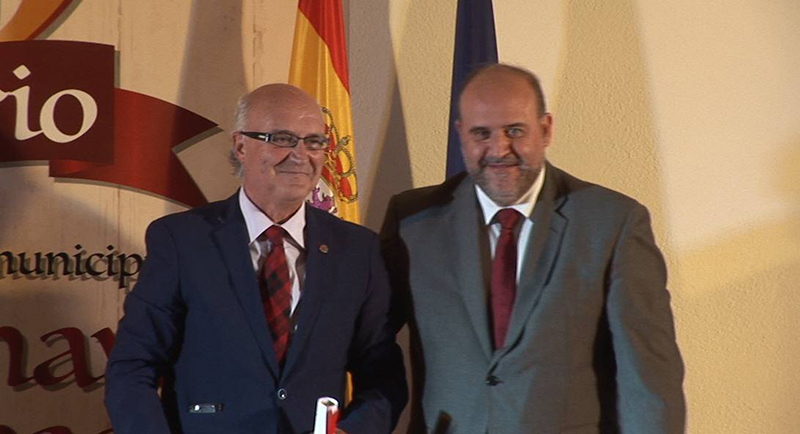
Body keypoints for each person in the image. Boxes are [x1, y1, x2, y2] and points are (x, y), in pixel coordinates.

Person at [381, 64, 685, 434]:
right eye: (481, 133)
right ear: (461, 134)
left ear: (546, 129)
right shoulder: (412, 222)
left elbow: (649, 381)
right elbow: (368, 342)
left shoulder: (613, 223)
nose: (499, 149)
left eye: (515, 131)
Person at [105, 84, 407, 434]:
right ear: (240, 146)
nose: (301, 155)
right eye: (282, 139)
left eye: (314, 142)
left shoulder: (357, 250)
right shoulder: (182, 241)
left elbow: (383, 376)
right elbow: (131, 367)